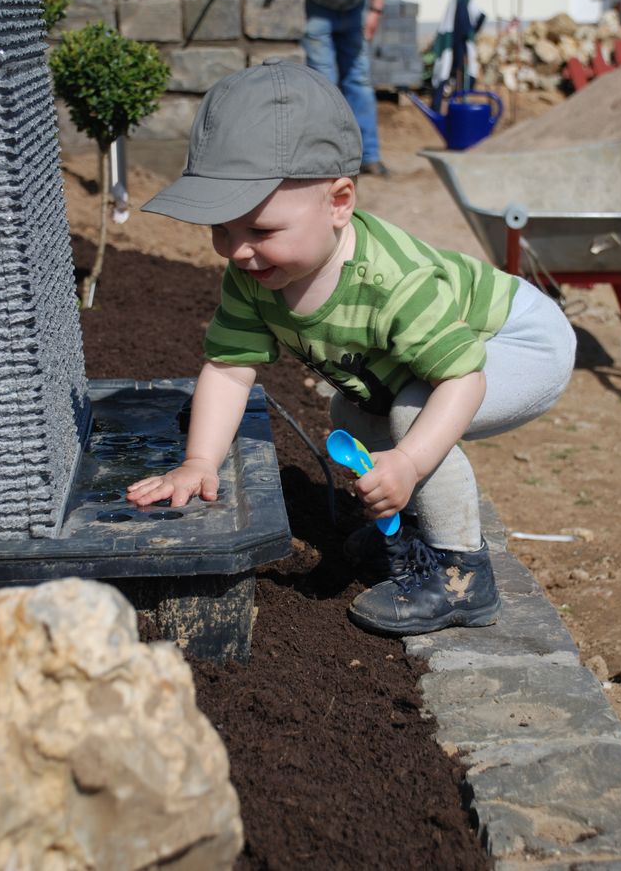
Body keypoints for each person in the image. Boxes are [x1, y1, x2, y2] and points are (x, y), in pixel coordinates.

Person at [127, 59, 576, 637]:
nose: (237, 252)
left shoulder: (395, 282)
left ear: (340, 202)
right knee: (350, 411)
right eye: (222, 230)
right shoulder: (252, 274)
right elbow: (229, 366)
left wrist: (409, 463)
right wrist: (198, 462)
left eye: (260, 231)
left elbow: (464, 379)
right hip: (454, 357)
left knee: (412, 416)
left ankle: (462, 575)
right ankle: (412, 526)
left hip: (519, 341)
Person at [285, 0, 411, 178]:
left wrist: (375, 10)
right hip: (316, 8)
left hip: (352, 8)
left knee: (360, 79)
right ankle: (328, 162)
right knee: (325, 81)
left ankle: (369, 157)